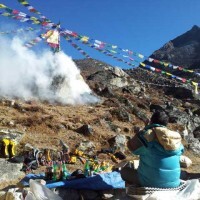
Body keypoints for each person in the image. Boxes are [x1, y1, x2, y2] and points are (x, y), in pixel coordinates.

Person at [121, 110, 184, 188]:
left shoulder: (147, 135)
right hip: (174, 184)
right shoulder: (175, 137)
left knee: (124, 171)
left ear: (151, 120)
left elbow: (131, 147)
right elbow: (181, 151)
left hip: (150, 183)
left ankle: (135, 189)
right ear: (166, 123)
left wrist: (145, 128)